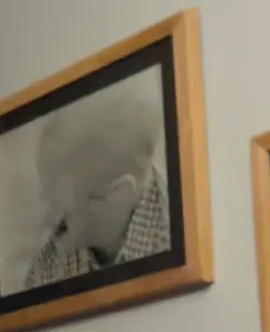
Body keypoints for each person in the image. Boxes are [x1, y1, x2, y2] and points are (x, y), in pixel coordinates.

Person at [23, 81, 171, 289]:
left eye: (62, 206)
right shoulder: (46, 270)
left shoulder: (176, 241)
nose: (46, 222)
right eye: (46, 195)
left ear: (118, 194)